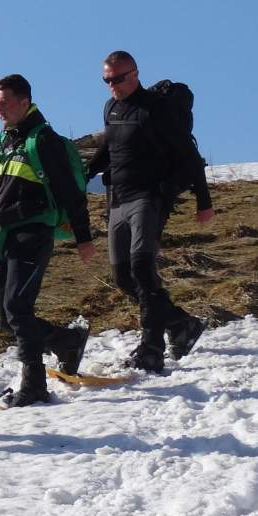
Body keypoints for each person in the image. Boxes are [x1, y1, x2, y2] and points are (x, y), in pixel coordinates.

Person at [0, 74, 95, 407]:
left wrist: (84, 237)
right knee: (4, 316)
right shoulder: (3, 142)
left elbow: (71, 194)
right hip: (4, 236)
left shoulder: (43, 140)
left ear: (24, 102)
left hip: (34, 232)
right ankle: (67, 341)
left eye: (5, 103)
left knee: (17, 308)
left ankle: (34, 383)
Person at [89, 50, 214, 373]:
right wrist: (84, 173)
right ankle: (181, 323)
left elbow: (188, 153)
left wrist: (204, 201)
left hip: (149, 198)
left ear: (134, 74)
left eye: (117, 79)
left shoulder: (155, 110)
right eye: (106, 80)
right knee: (123, 277)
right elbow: (109, 148)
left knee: (143, 270)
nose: (111, 85)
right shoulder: (112, 108)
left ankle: (152, 348)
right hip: (117, 200)